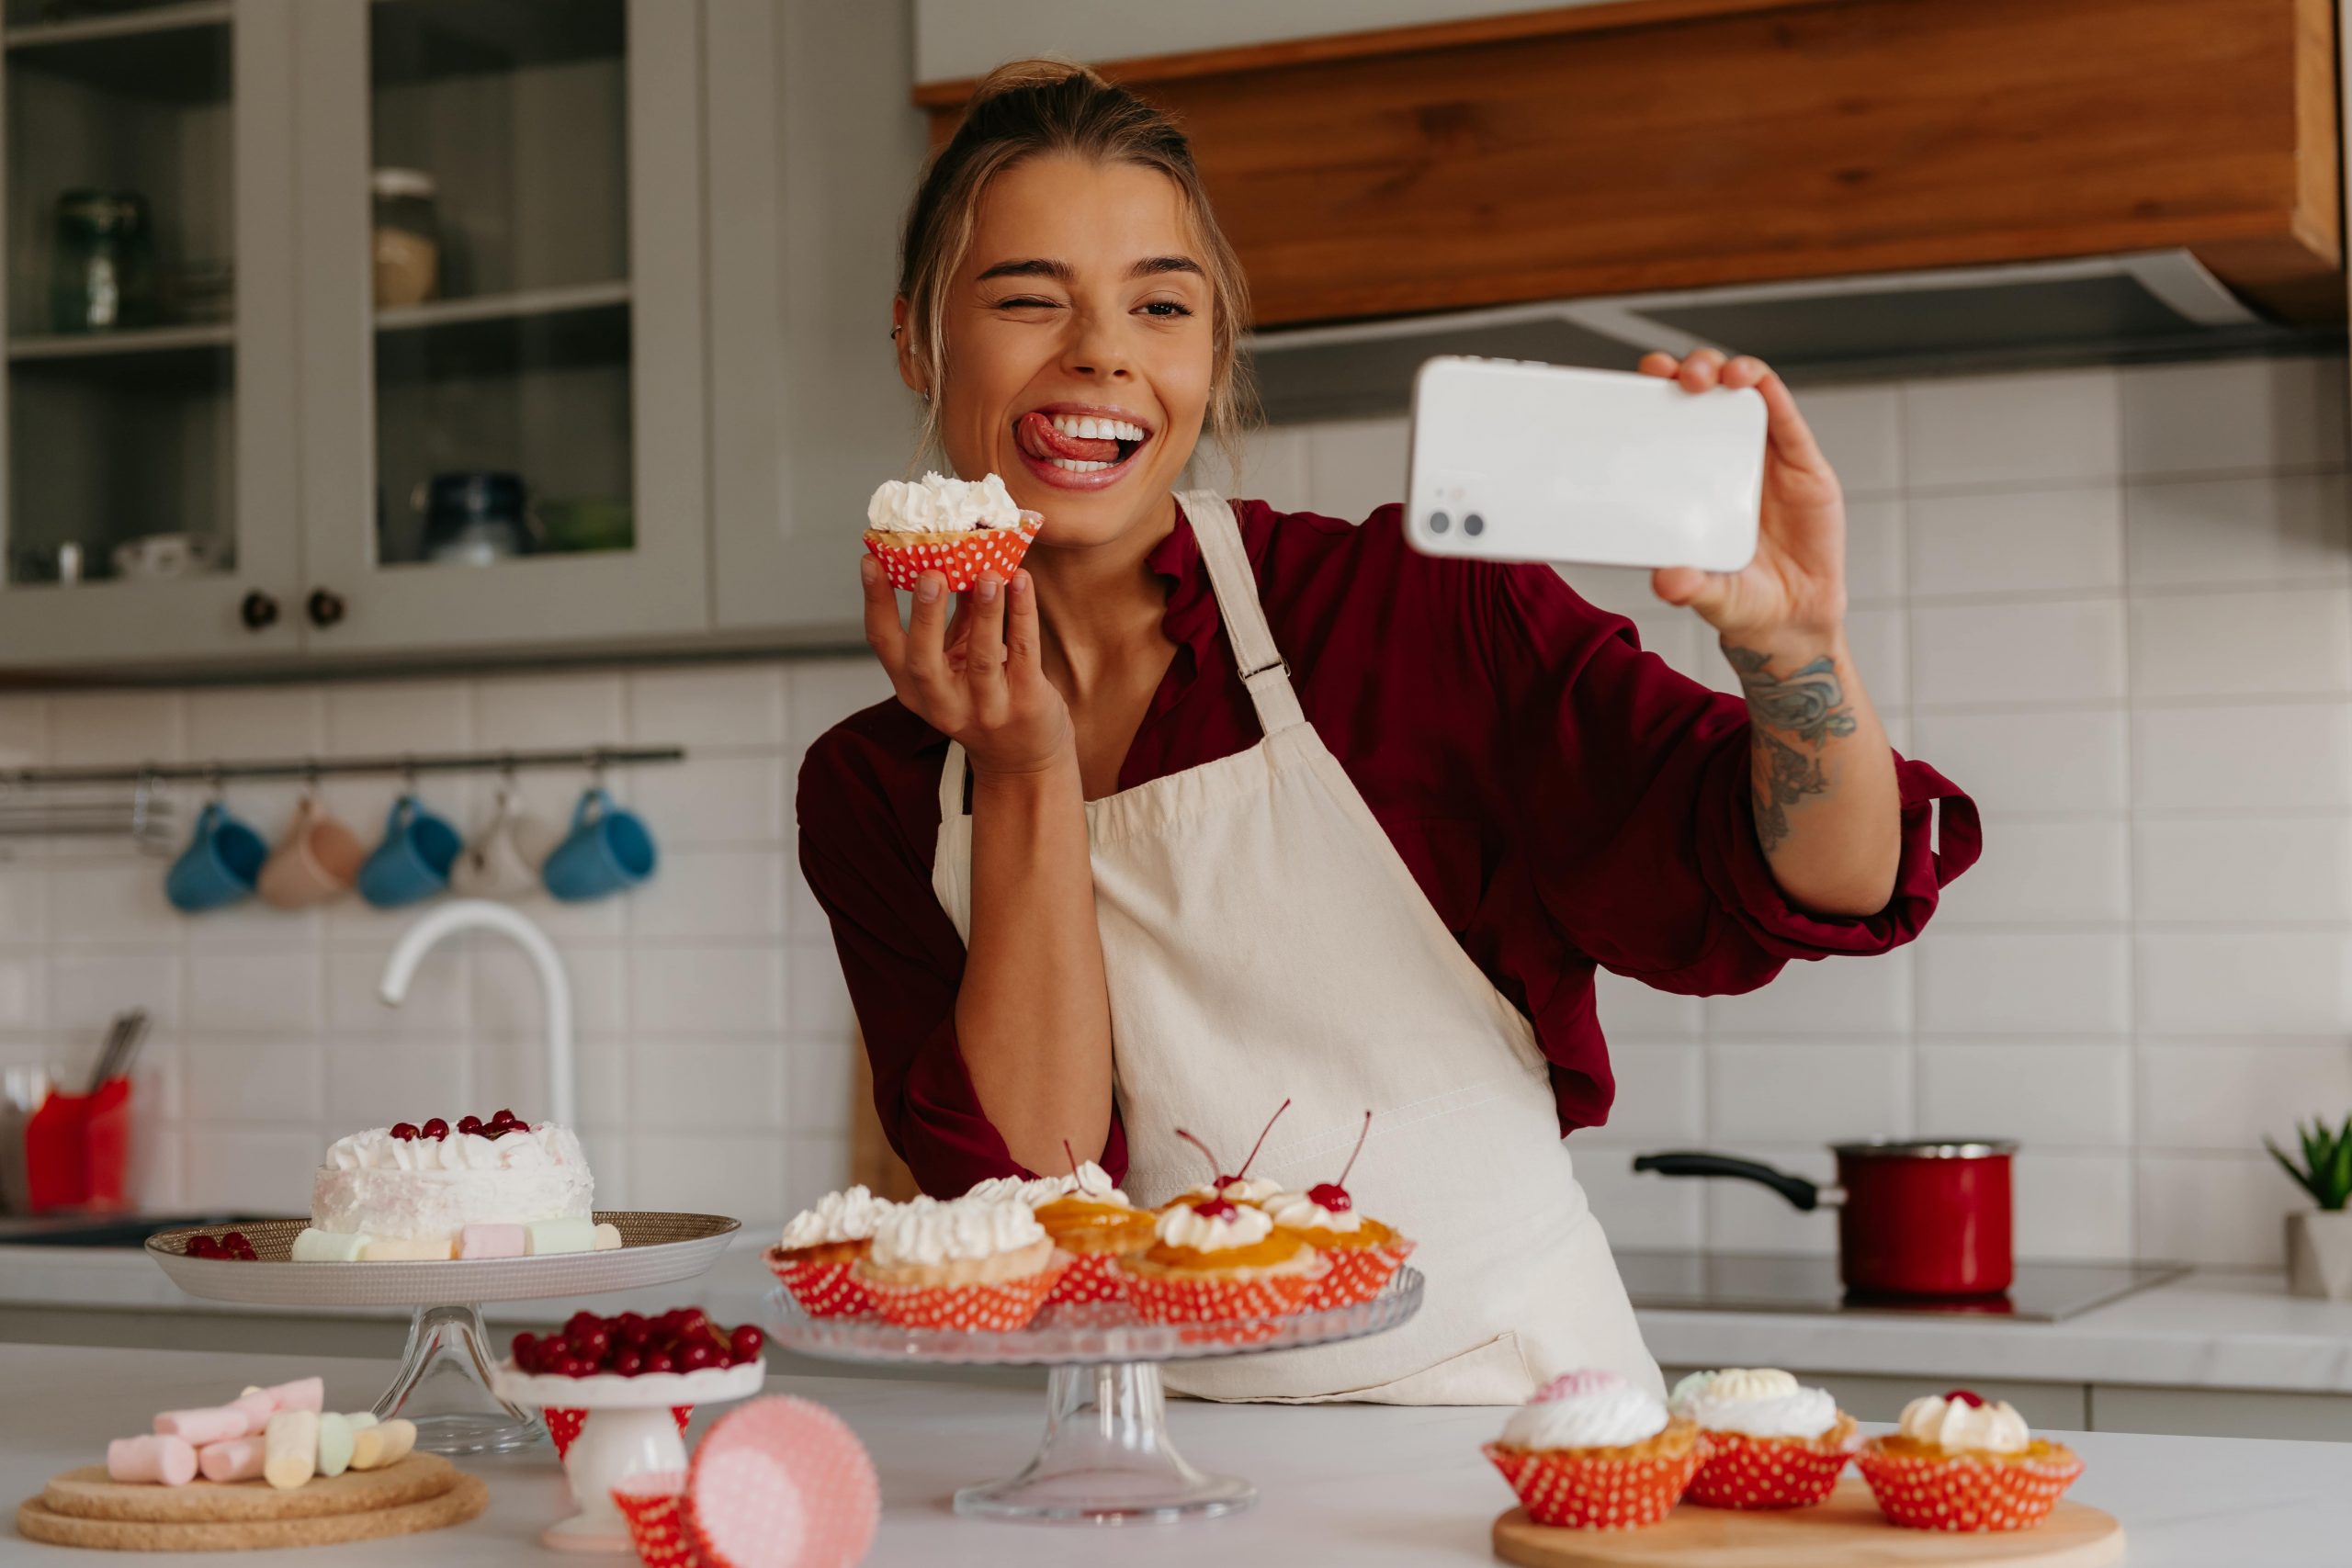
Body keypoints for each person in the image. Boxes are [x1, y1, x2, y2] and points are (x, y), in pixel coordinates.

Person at [797, 60, 1979, 1404]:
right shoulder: (878, 787)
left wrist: (1794, 650)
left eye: (1161, 305)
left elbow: (1833, 878)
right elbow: (1037, 1196)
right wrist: (1024, 768)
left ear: (1212, 357)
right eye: (1027, 298)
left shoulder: (1408, 614)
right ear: (916, 339)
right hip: (1147, 1473)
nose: (1103, 354)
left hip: (1518, 1447)